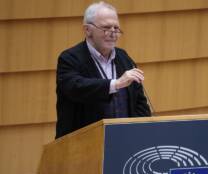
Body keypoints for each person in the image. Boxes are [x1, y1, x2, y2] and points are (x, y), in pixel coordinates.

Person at [55, 1, 151, 139]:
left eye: (116, 28)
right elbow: (75, 87)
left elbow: (139, 103)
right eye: (106, 28)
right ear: (87, 30)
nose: (113, 33)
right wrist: (115, 84)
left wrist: (141, 135)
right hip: (82, 145)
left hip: (124, 142)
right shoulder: (69, 58)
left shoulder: (123, 57)